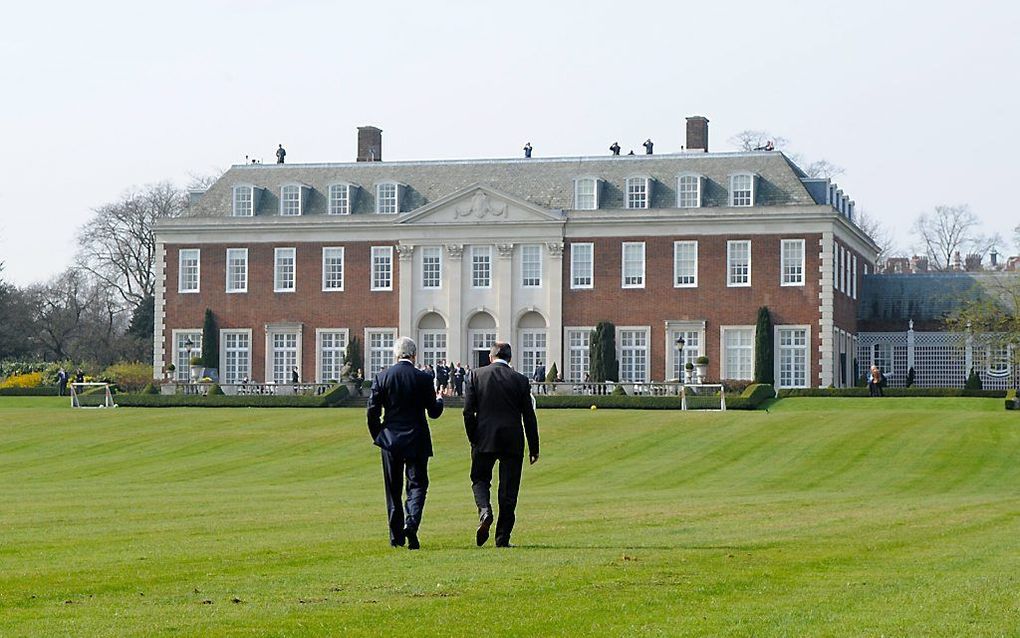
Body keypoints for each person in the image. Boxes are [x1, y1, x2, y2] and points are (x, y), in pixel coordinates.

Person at [367, 337, 444, 550]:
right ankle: (412, 523)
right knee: (417, 485)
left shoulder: (383, 376)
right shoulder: (424, 378)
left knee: (392, 489)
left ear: (395, 355)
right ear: (414, 355)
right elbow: (434, 413)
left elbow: (372, 411)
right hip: (417, 438)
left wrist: (379, 435)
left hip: (390, 439)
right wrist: (439, 400)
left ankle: (396, 537)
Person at [463, 342, 540, 548]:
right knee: (508, 490)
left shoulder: (475, 376)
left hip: (484, 438)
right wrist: (534, 448)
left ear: (490, 357)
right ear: (510, 359)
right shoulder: (520, 380)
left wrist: (473, 437)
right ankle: (502, 538)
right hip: (512, 439)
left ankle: (484, 511)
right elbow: (529, 417)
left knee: (479, 479)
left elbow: (468, 412)